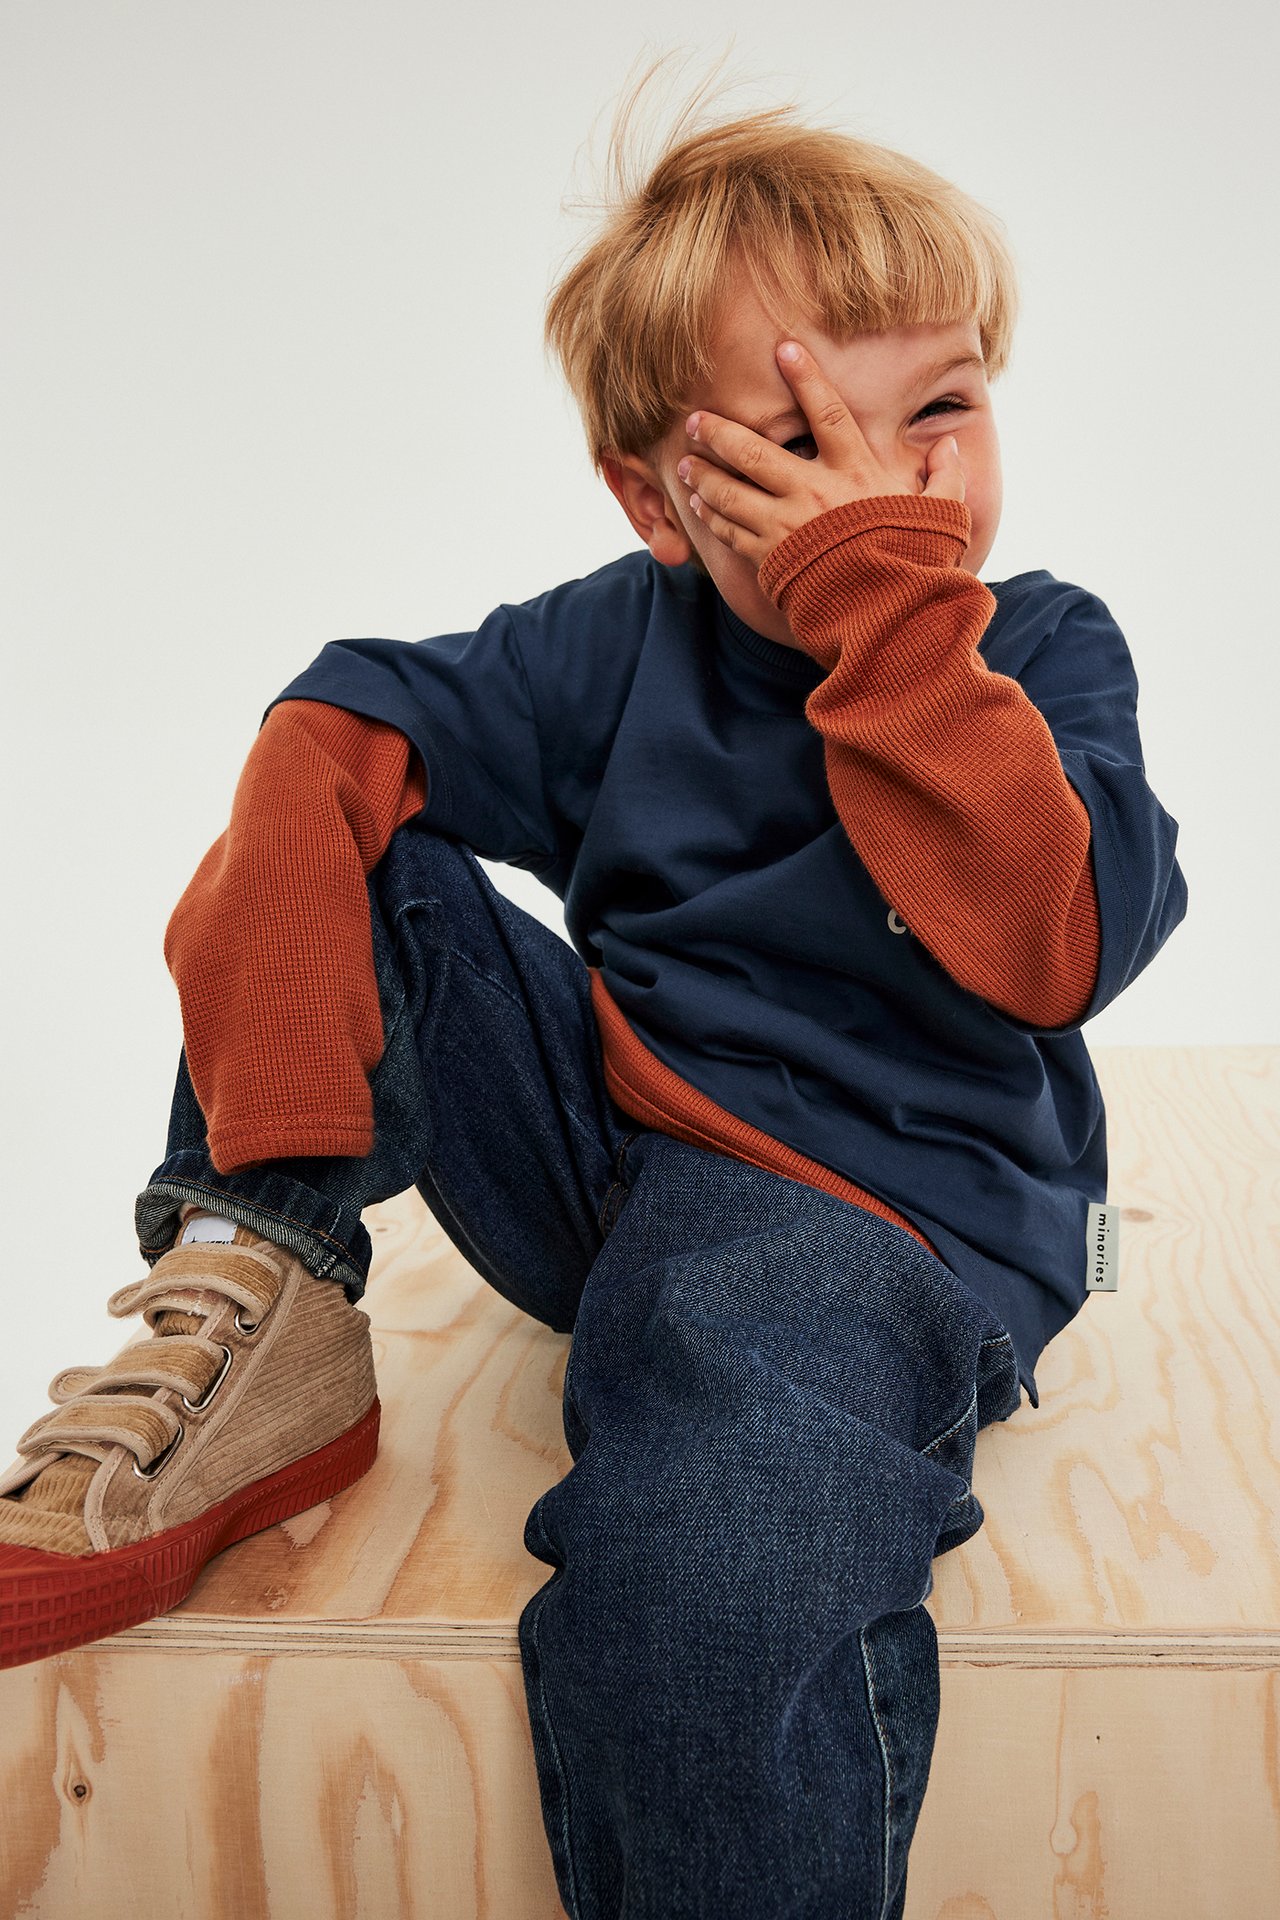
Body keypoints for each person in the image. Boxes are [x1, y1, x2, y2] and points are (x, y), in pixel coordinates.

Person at [0, 77, 1187, 1920]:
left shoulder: (1030, 648)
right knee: (346, 800)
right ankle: (263, 1287)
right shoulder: (623, 640)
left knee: (698, 1577)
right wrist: (310, 819)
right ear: (661, 496)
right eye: (802, 444)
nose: (892, 488)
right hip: (615, 1153)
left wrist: (882, 609)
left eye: (940, 412)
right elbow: (356, 707)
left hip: (869, 1221)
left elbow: (1052, 941)